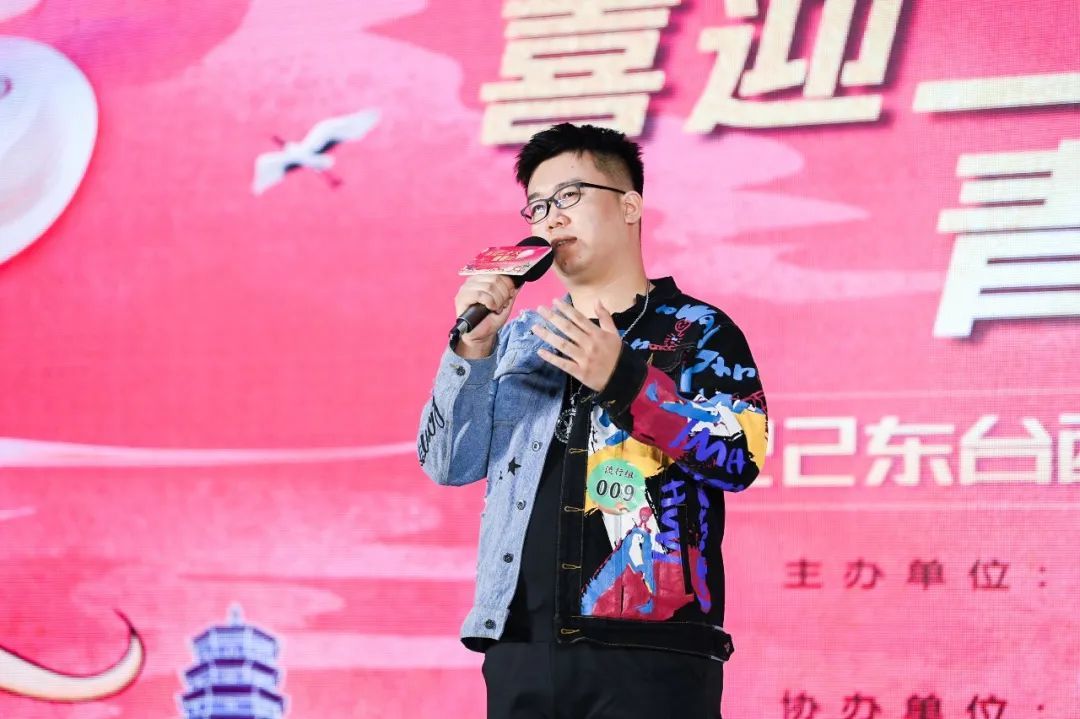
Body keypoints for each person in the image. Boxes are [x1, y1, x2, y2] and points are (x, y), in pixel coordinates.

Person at [416, 123, 768, 719]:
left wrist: (627, 381)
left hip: (651, 651)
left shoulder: (698, 330)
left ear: (629, 206)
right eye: (538, 206)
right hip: (519, 645)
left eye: (571, 195)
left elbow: (740, 456)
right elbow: (448, 463)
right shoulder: (517, 340)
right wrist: (471, 351)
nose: (552, 217)